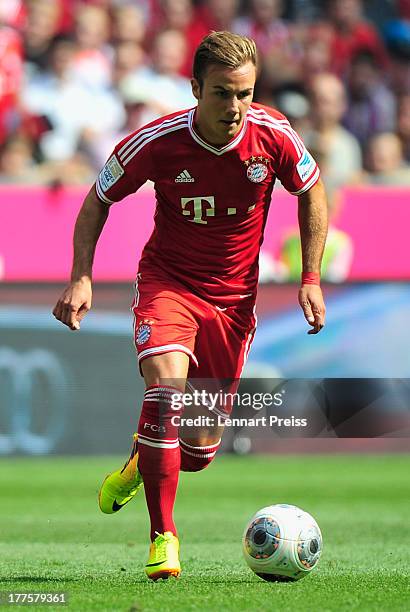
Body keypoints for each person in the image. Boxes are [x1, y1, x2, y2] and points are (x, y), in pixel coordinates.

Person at [52, 31, 327, 581]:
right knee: (165, 392)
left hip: (232, 301)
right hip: (169, 284)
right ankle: (163, 538)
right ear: (196, 87)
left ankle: (141, 460)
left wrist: (311, 276)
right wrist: (82, 275)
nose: (235, 107)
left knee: (198, 450)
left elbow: (312, 192)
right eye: (223, 93)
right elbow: (98, 199)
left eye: (245, 94)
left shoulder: (274, 136)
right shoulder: (156, 142)